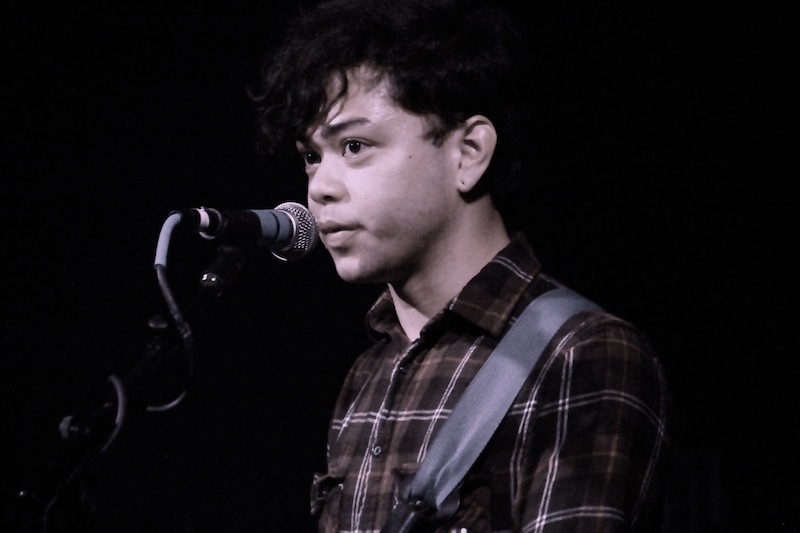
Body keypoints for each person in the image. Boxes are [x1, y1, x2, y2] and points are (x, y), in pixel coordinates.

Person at [252, 0, 670, 531]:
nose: (320, 188)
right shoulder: (367, 374)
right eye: (312, 157)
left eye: (354, 145)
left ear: (469, 152)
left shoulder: (579, 353)